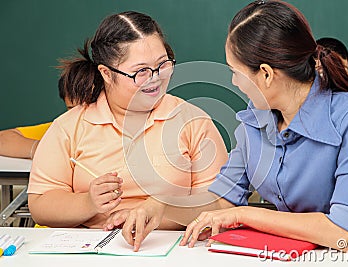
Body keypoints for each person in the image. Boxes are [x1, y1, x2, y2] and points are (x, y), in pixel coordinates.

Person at [177, 0, 348, 251]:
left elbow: (344, 234)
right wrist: (159, 209)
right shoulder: (256, 117)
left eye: (235, 71)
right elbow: (223, 203)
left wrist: (244, 215)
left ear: (265, 74)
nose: (233, 82)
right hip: (285, 254)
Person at [27, 11, 228, 237]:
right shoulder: (69, 127)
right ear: (106, 73)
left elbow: (221, 204)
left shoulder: (193, 122)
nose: (155, 78)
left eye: (163, 65)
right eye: (140, 71)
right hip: (91, 249)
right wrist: (88, 202)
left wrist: (162, 209)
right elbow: (40, 205)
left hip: (173, 249)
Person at [0, 77, 77, 159]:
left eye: (88, 107)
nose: (80, 116)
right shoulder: (61, 128)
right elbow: (2, 139)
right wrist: (42, 149)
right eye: (72, 108)